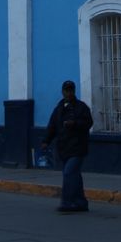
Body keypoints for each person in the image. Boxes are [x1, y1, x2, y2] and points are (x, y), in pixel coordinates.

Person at [40, 80, 93, 213]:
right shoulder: (58, 109)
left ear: (74, 91)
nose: (68, 93)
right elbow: (52, 126)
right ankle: (81, 202)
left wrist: (74, 123)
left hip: (78, 148)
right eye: (66, 90)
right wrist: (46, 141)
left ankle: (67, 202)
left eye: (71, 90)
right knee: (74, 175)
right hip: (64, 147)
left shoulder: (81, 107)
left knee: (69, 173)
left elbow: (88, 122)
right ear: (62, 92)